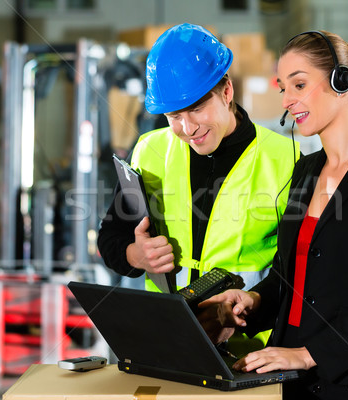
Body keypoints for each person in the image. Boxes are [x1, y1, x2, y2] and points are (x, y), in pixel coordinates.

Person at [199, 30, 348, 399]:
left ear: (340, 80)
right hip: (283, 371)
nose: (288, 100)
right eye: (283, 88)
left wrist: (308, 355)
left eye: (299, 84)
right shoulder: (306, 170)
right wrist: (255, 302)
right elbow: (288, 275)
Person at [97, 23, 300, 355]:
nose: (187, 129)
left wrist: (247, 307)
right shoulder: (150, 150)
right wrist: (137, 255)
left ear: (226, 91)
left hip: (246, 348)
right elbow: (111, 237)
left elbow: (294, 270)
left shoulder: (285, 158)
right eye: (174, 116)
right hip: (166, 336)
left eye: (196, 109)